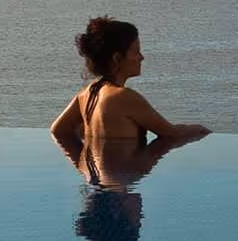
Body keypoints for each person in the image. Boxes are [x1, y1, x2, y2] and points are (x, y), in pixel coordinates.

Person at [49, 16, 207, 170]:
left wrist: (82, 164)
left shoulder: (86, 93)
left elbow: (58, 130)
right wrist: (201, 130)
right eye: (136, 52)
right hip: (120, 187)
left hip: (99, 185)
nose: (141, 58)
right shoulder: (123, 97)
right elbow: (171, 134)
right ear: (117, 58)